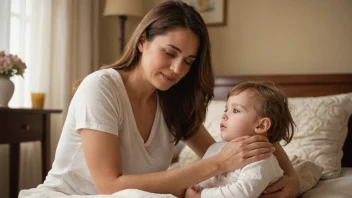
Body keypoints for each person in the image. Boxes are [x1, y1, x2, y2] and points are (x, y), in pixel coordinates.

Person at [19, 1, 299, 197]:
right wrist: (218, 164)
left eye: (188, 61)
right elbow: (109, 186)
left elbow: (248, 143)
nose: (178, 69)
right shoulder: (100, 88)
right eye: (169, 52)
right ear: (142, 41)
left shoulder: (172, 101)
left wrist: (293, 178)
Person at [185, 82, 296, 198]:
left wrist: (200, 195)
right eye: (226, 109)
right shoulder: (215, 148)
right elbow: (203, 176)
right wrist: (196, 188)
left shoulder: (261, 159)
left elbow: (242, 193)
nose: (224, 115)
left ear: (261, 126)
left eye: (236, 110)